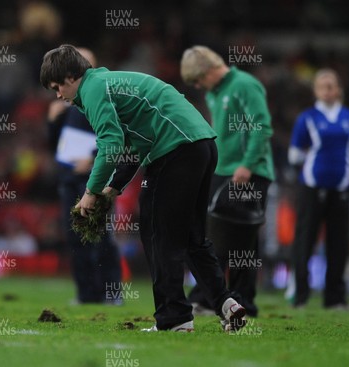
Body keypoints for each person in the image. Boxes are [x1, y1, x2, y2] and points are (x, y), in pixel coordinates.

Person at [40, 44, 246, 332]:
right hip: (202, 146)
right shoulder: (109, 82)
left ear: (71, 77)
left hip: (175, 152)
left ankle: (175, 319)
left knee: (157, 235)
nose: (58, 96)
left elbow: (110, 145)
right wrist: (112, 187)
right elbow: (129, 145)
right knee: (191, 238)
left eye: (57, 87)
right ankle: (226, 304)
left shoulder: (93, 87)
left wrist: (90, 192)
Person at [179, 46, 275, 317]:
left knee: (241, 240)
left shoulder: (245, 84)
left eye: (198, 80)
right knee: (215, 238)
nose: (198, 86)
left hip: (249, 172)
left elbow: (262, 126)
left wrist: (248, 164)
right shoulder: (214, 92)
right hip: (223, 171)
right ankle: (217, 298)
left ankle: (232, 299)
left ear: (208, 70)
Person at [46, 48, 121, 304]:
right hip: (69, 179)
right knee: (75, 238)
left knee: (101, 237)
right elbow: (57, 146)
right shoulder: (68, 103)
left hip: (98, 176)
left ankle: (112, 294)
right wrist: (53, 122)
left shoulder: (99, 94)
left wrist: (91, 159)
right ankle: (86, 294)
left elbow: (115, 135)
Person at [288, 68, 349, 309]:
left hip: (341, 187)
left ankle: (335, 298)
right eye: (323, 86)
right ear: (316, 91)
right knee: (305, 241)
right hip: (312, 186)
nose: (328, 90)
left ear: (338, 89)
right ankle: (300, 295)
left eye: (332, 85)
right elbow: (295, 155)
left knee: (338, 243)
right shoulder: (307, 118)